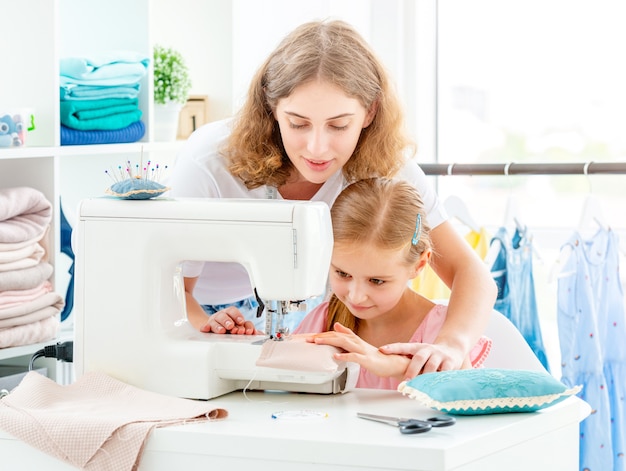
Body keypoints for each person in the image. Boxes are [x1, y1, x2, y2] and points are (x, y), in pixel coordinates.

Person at [167, 19, 497, 376]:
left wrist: (451, 343)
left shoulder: (386, 166)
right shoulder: (210, 162)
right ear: (271, 106)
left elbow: (470, 273)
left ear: (370, 111)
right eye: (297, 123)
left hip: (309, 314)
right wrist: (210, 327)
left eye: (339, 126)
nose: (317, 148)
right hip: (209, 308)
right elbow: (169, 293)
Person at [292, 178, 491, 389]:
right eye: (342, 273)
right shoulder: (324, 319)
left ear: (420, 264)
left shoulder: (441, 332)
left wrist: (397, 367)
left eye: (376, 281)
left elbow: (464, 396)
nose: (356, 296)